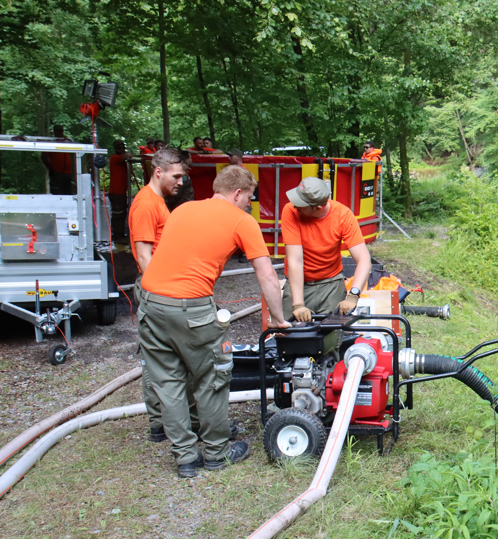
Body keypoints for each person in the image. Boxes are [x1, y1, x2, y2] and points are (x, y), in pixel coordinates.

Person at [138, 166, 290, 478]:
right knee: (212, 376)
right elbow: (266, 275)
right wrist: (278, 319)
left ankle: (185, 457)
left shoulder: (182, 209)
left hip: (150, 302)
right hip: (190, 307)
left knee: (168, 381)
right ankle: (217, 452)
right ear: (237, 193)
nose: (250, 203)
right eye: (249, 197)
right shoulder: (242, 220)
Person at [128, 146, 187, 443]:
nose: (181, 182)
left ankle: (163, 421)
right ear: (158, 171)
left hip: (161, 285)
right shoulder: (145, 204)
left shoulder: (159, 201)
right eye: (176, 176)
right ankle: (159, 423)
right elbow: (142, 255)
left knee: (164, 355)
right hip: (155, 288)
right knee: (157, 357)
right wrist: (160, 291)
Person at [281, 177, 371, 327]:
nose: (295, 206)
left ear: (318, 207)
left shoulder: (342, 215)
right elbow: (295, 260)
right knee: (288, 335)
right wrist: (298, 304)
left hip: (331, 283)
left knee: (332, 336)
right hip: (299, 282)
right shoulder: (290, 210)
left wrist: (353, 296)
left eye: (301, 204)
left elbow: (364, 259)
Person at [41, 125, 75, 194]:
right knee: (57, 193)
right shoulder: (51, 142)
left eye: (61, 131)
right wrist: (50, 168)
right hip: (57, 173)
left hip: (68, 173)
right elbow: (43, 156)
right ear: (54, 132)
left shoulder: (66, 141)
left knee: (69, 193)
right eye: (57, 131)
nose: (59, 132)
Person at [108, 140, 131, 243]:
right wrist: (127, 154)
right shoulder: (114, 158)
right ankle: (117, 237)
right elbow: (127, 156)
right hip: (116, 193)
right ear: (115, 149)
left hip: (121, 192)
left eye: (123, 148)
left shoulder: (121, 160)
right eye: (119, 148)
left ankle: (120, 235)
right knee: (118, 215)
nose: (121, 150)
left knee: (122, 214)